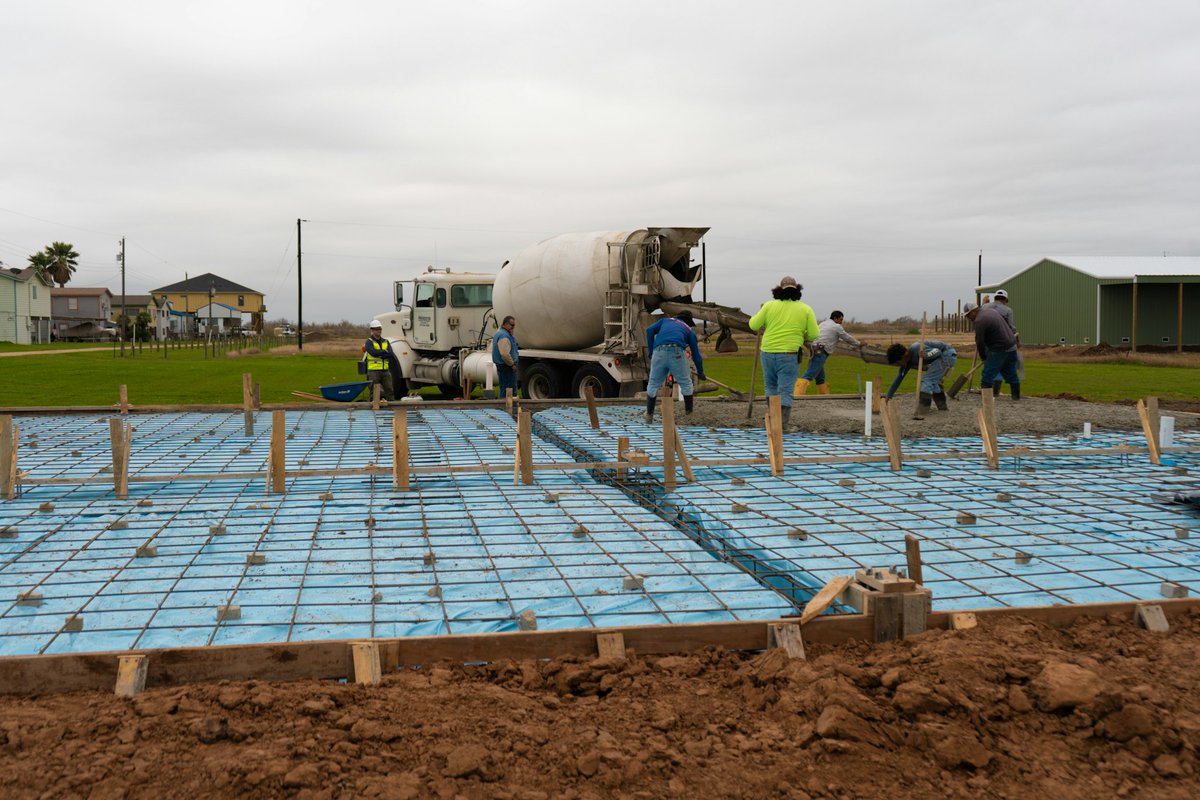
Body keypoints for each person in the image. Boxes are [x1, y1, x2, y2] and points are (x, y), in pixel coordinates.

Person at [748, 276, 819, 425]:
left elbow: (753, 325)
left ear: (779, 290)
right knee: (785, 390)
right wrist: (803, 335)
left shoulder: (768, 305)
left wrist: (762, 314)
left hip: (767, 352)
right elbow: (814, 334)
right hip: (790, 354)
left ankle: (774, 420)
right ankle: (782, 424)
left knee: (770, 386)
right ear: (797, 290)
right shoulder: (805, 309)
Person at [644, 310, 705, 423]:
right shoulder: (689, 330)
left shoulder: (665, 321)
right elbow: (696, 355)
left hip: (659, 352)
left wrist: (651, 351)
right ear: (688, 321)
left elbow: (649, 330)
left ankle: (649, 415)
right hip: (677, 353)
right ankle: (689, 415)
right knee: (686, 383)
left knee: (653, 383)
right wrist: (700, 372)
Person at [795, 310, 861, 396]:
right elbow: (847, 338)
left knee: (820, 377)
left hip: (814, 349)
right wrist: (859, 343)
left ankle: (823, 396)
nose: (841, 322)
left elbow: (825, 336)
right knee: (809, 374)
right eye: (840, 319)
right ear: (835, 318)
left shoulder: (823, 324)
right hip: (821, 351)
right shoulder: (837, 327)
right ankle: (797, 395)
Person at [964, 301, 1020, 400]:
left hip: (999, 348)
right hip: (1012, 346)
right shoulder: (991, 311)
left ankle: (987, 400)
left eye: (968, 315)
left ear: (973, 312)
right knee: (1011, 373)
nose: (968, 318)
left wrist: (983, 357)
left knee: (987, 375)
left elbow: (979, 341)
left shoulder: (979, 320)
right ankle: (1016, 398)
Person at [885, 338, 958, 413]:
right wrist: (888, 396)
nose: (898, 365)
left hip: (947, 354)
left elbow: (938, 351)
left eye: (898, 363)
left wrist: (926, 355)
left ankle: (923, 409)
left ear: (904, 355)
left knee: (927, 380)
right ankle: (942, 407)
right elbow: (899, 377)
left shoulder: (917, 348)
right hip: (941, 357)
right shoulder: (907, 361)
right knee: (933, 382)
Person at [981, 289, 1018, 397]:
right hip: (1002, 342)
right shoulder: (1008, 310)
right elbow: (1011, 327)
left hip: (987, 341)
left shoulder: (985, 307)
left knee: (990, 365)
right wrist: (1015, 334)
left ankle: (991, 392)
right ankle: (996, 392)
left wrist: (984, 303)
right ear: (1005, 299)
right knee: (1000, 364)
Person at [364, 320, 395, 401]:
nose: (379, 331)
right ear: (372, 330)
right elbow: (373, 352)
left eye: (380, 329)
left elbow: (391, 354)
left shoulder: (386, 341)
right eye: (376, 329)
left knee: (389, 390)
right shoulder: (369, 342)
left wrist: (380, 353)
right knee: (373, 392)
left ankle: (392, 406)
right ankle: (374, 406)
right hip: (373, 371)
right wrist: (384, 351)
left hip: (385, 370)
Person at [492, 315, 520, 399]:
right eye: (512, 325)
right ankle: (506, 406)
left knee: (504, 388)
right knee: (509, 391)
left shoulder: (500, 333)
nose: (513, 327)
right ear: (505, 324)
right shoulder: (504, 336)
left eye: (514, 325)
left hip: (503, 366)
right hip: (507, 367)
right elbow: (504, 354)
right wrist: (512, 365)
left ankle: (503, 405)